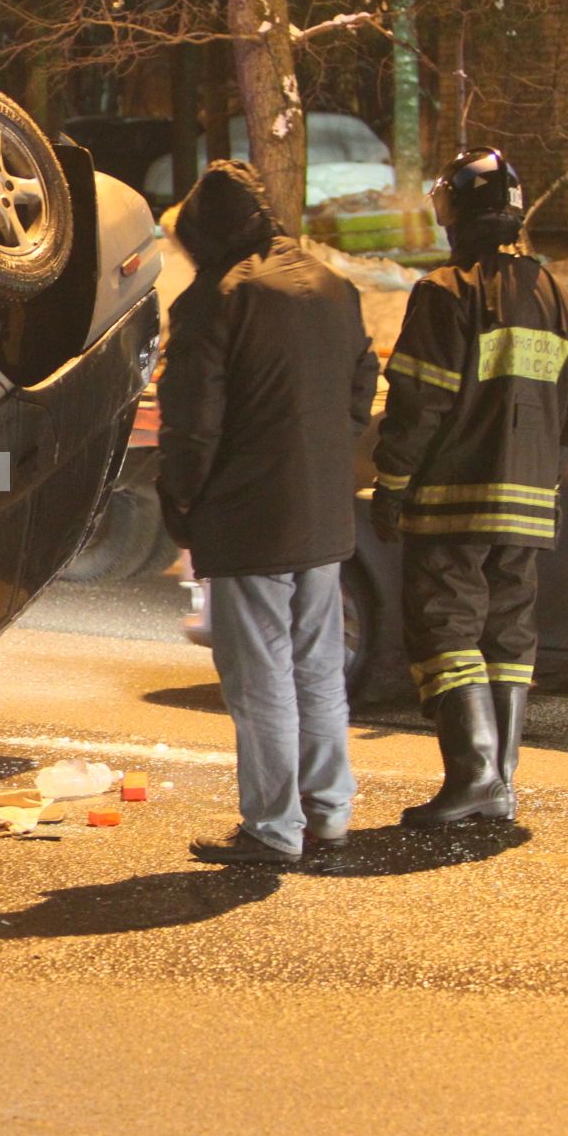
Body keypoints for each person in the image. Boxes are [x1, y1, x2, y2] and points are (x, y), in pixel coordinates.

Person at [157, 161, 378, 863]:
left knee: (261, 679)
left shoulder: (217, 300)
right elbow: (361, 384)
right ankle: (329, 813)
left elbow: (193, 423)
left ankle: (274, 828)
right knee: (317, 669)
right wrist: (323, 450)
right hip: (321, 513)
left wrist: (183, 499)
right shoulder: (333, 286)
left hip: (250, 515)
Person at [372, 147, 568, 828]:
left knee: (444, 626)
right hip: (528, 503)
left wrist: (392, 483)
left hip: (452, 498)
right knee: (508, 631)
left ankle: (473, 776)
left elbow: (419, 402)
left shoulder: (447, 290)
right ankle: (501, 780)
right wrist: (543, 472)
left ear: (460, 212)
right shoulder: (559, 298)